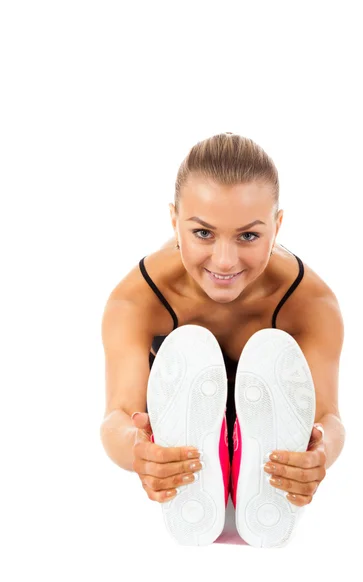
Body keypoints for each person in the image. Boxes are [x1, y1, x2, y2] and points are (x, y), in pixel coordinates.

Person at [100, 132, 345, 520]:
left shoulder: (310, 302)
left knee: (271, 363)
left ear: (277, 227)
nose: (225, 261)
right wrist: (138, 452)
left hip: (266, 405)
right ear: (174, 221)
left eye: (249, 235)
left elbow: (328, 417)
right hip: (181, 409)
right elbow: (118, 415)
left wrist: (320, 452)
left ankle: (244, 450)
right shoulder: (137, 298)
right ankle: (213, 450)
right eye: (203, 233)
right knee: (186, 356)